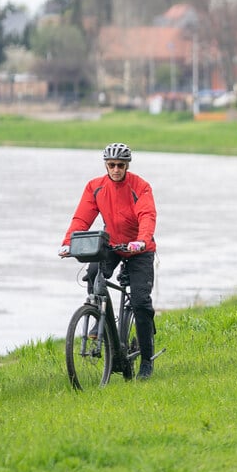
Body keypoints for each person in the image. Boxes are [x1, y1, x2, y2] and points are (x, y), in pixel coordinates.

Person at [58, 143, 158, 381]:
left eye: (120, 165)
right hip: (112, 244)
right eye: (111, 165)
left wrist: (142, 241)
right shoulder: (95, 187)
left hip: (138, 248)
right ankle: (98, 318)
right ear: (106, 165)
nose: (115, 169)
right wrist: (67, 242)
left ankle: (146, 360)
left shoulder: (140, 186)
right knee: (93, 273)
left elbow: (147, 216)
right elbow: (82, 218)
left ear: (127, 166)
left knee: (141, 302)